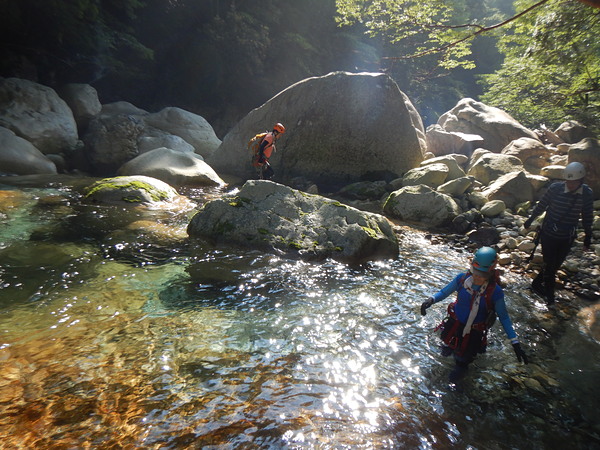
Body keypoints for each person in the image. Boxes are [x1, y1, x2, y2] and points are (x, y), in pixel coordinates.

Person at [421, 247, 528, 384]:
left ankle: (454, 390)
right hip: (454, 325)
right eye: (475, 273)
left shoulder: (495, 292)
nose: (477, 277)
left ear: (490, 273)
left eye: (481, 275)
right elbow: (444, 292)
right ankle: (432, 380)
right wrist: (431, 300)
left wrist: (515, 342)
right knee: (445, 351)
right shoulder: (462, 280)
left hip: (473, 333)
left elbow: (504, 317)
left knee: (461, 364)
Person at [523, 161, 594, 305]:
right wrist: (530, 219)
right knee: (550, 267)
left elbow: (587, 216)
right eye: (568, 181)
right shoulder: (555, 189)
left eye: (573, 182)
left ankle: (536, 284)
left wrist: (588, 237)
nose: (570, 185)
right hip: (549, 234)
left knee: (554, 266)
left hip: (567, 236)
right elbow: (542, 205)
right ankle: (551, 300)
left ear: (581, 180)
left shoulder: (586, 193)